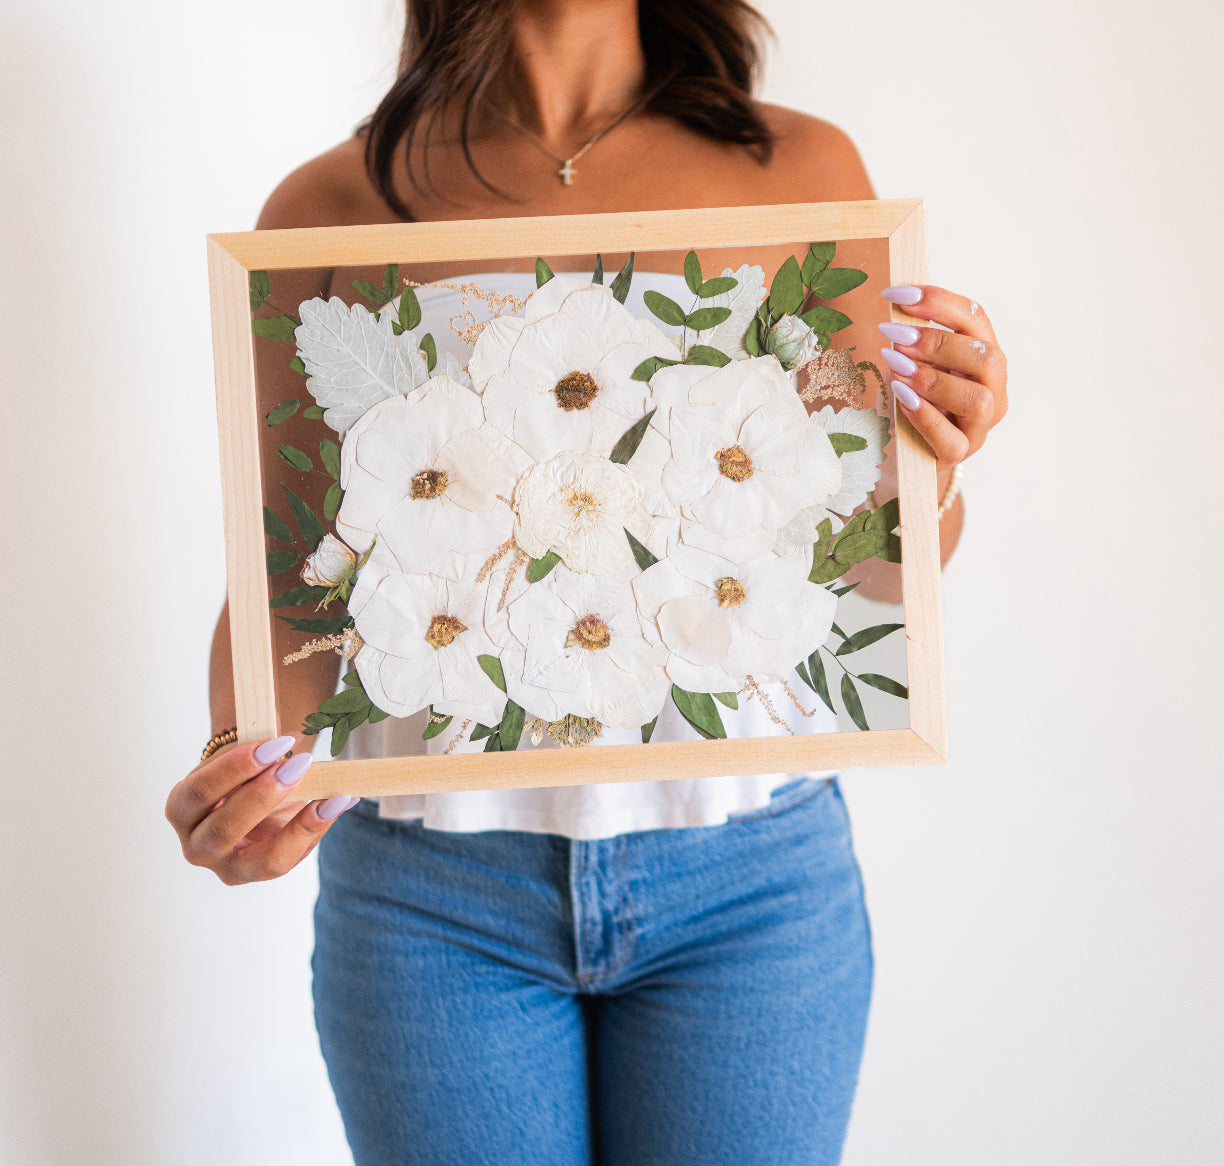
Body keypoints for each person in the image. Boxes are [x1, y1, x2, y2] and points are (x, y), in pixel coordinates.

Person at [166, 1, 1008, 1162]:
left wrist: (936, 466)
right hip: (430, 897)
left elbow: (861, 571)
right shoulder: (327, 209)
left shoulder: (804, 175)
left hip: (749, 883)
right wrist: (236, 764)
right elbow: (296, 586)